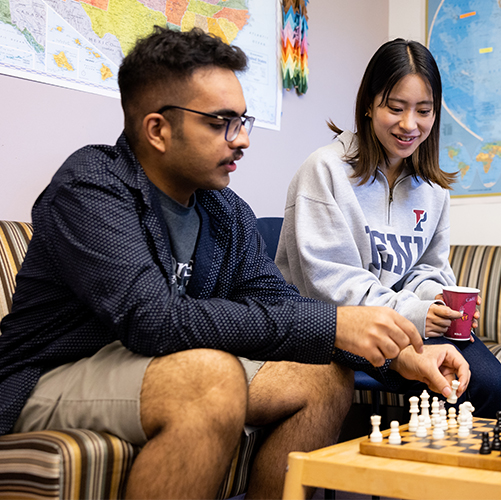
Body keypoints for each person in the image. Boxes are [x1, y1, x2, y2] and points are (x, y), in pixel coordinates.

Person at [0, 27, 471, 499]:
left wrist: (402, 354)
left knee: (325, 376)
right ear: (158, 129)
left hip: (158, 365)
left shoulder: (225, 212)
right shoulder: (91, 187)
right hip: (51, 374)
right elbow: (153, 321)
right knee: (211, 379)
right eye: (221, 121)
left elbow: (281, 305)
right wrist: (333, 323)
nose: (243, 138)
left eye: (243, 120)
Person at [275, 39, 501, 417]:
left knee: (489, 384)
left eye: (424, 110)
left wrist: (437, 302)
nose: (409, 125)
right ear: (369, 104)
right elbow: (331, 286)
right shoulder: (324, 171)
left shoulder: (432, 189)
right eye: (395, 108)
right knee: (442, 383)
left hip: (403, 324)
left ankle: (445, 472)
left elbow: (427, 268)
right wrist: (416, 313)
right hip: (335, 324)